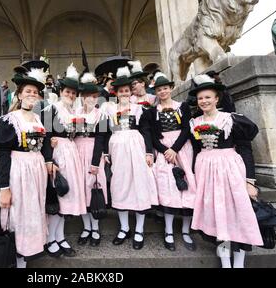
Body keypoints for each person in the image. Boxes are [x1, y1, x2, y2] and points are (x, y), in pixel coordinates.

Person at [0, 68, 48, 268]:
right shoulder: (10, 120)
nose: (32, 95)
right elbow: (4, 155)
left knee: (30, 213)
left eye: (35, 92)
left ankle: (24, 257)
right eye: (28, 91)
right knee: (15, 215)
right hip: (18, 170)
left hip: (36, 171)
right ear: (19, 95)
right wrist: (4, 189)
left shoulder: (39, 119)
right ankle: (14, 260)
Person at [188, 74, 262, 268]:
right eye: (200, 98)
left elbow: (246, 149)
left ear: (216, 99)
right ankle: (225, 262)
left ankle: (238, 264)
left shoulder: (231, 120)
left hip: (230, 169)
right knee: (216, 215)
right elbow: (196, 150)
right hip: (205, 171)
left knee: (236, 214)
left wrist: (249, 181)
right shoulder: (194, 123)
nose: (204, 101)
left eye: (207, 97)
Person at [94, 66, 159, 250]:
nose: (123, 93)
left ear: (131, 92)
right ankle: (124, 228)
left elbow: (146, 131)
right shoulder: (108, 108)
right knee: (119, 185)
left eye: (126, 91)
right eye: (120, 91)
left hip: (136, 147)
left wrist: (148, 152)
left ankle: (139, 230)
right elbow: (105, 133)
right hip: (117, 149)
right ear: (115, 92)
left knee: (139, 185)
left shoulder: (139, 109)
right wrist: (105, 152)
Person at [140, 72, 197, 252]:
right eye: (159, 89)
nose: (162, 91)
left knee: (188, 186)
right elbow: (151, 135)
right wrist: (165, 150)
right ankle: (169, 231)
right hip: (164, 151)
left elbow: (187, 129)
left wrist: (176, 149)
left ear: (171, 89)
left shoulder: (183, 107)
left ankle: (186, 231)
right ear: (155, 92)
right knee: (167, 187)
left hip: (182, 149)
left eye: (165, 88)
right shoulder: (151, 112)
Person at [41, 64, 86, 258]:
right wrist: (49, 160)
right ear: (61, 92)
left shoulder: (73, 112)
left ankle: (60, 237)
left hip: (71, 151)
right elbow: (46, 136)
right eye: (67, 91)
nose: (71, 95)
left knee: (66, 198)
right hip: (57, 153)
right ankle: (50, 238)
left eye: (73, 93)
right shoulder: (52, 110)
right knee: (57, 196)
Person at [75, 72, 108, 247]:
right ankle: (86, 227)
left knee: (92, 188)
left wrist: (95, 162)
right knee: (80, 189)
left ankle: (95, 228)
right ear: (81, 97)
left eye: (93, 96)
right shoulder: (75, 113)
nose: (90, 99)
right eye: (86, 96)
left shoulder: (101, 114)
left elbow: (101, 139)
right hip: (77, 151)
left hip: (93, 151)